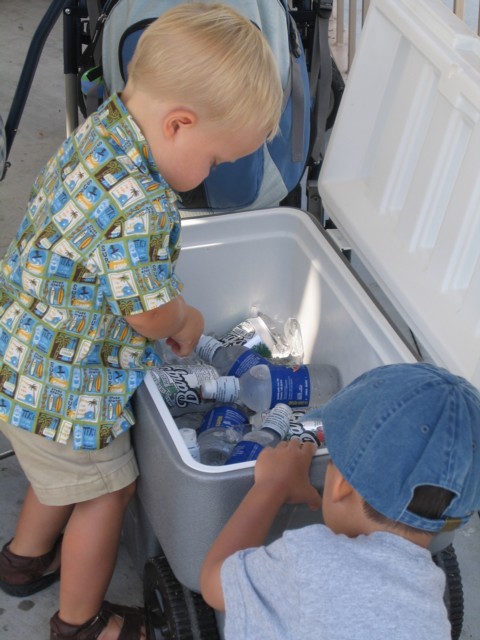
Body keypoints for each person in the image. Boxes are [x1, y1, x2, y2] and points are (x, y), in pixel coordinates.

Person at [0, 4, 283, 639]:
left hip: (22, 359)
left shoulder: (103, 130)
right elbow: (152, 314)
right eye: (214, 159)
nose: (210, 175)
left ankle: (23, 561)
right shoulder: (144, 203)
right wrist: (186, 315)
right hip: (72, 387)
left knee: (57, 473)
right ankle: (81, 621)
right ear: (179, 125)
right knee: (105, 493)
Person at [200, 362, 480, 640]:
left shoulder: (309, 561)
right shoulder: (432, 613)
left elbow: (214, 583)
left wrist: (272, 486)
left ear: (341, 487)